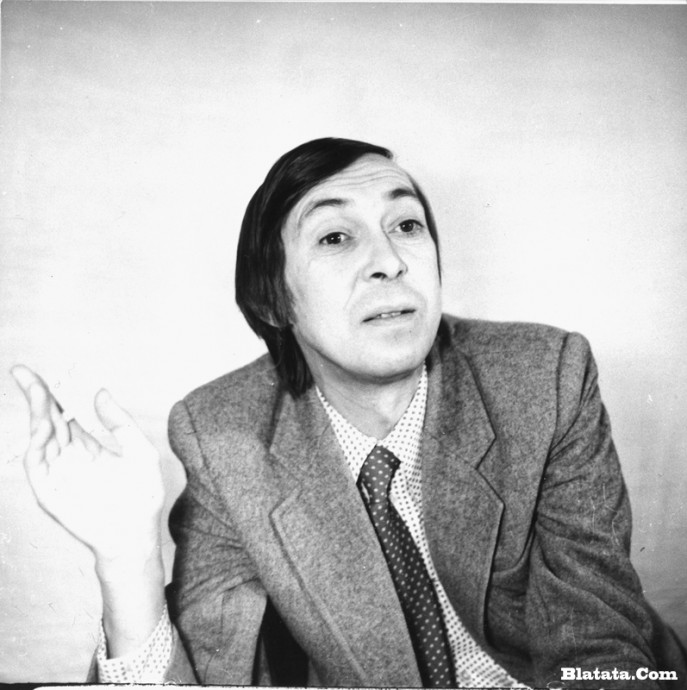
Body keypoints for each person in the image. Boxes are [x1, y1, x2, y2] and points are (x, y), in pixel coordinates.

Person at [12, 137, 687, 689]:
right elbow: (216, 676)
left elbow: (599, 644)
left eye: (406, 226)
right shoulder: (222, 434)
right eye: (335, 237)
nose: (388, 261)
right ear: (273, 301)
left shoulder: (545, 375)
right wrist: (125, 558)